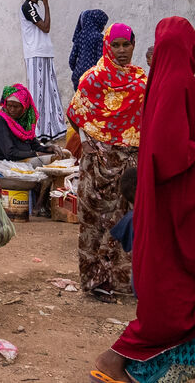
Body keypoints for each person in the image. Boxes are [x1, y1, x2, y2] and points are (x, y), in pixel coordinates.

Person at [90, 16, 195, 383]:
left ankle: (132, 366)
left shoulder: (167, 83)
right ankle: (113, 359)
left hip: (194, 203)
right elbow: (168, 151)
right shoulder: (176, 84)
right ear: (190, 47)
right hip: (186, 208)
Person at [67, 22, 147, 297]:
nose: (122, 50)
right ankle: (95, 282)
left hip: (130, 167)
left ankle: (123, 283)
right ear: (107, 46)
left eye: (127, 44)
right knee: (94, 223)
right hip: (98, 166)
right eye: (116, 45)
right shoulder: (92, 79)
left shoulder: (142, 81)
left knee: (127, 220)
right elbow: (76, 113)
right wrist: (87, 142)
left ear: (134, 45)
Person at [20, 0, 65, 139]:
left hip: (45, 53)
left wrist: (44, 4)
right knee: (37, 94)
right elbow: (46, 27)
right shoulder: (28, 7)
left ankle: (52, 129)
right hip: (35, 54)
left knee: (50, 93)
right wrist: (46, 4)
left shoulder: (36, 6)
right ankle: (36, 132)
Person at [0, 83, 49, 161]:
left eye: (16, 107)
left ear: (24, 108)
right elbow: (10, 153)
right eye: (9, 106)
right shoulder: (0, 120)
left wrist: (49, 149)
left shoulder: (23, 121)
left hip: (22, 159)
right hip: (4, 162)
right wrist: (36, 154)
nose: (12, 110)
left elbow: (34, 145)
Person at [70, 8, 109, 89]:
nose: (103, 27)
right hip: (92, 77)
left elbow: (71, 59)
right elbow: (100, 60)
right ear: (98, 23)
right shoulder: (99, 38)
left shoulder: (80, 36)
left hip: (77, 76)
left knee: (79, 96)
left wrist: (77, 70)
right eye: (103, 25)